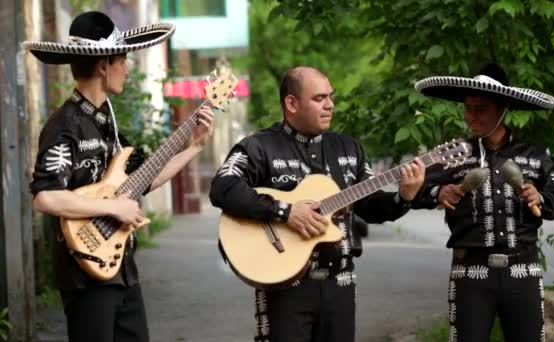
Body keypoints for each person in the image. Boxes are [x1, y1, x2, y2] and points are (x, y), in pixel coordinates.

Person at [26, 11, 215, 342]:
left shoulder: (107, 124)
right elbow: (45, 197)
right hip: (85, 275)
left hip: (122, 270)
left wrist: (195, 147)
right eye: (123, 60)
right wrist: (114, 209)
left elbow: (145, 179)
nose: (127, 69)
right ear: (103, 66)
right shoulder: (64, 125)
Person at [209, 66, 425, 342]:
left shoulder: (349, 148)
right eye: (319, 98)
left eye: (331, 97)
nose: (330, 105)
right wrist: (285, 211)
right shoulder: (258, 147)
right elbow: (222, 187)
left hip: (341, 284)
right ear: (291, 103)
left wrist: (404, 196)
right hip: (283, 285)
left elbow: (370, 206)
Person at [413, 63, 554, 342]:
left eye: (481, 108)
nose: (471, 116)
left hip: (523, 271)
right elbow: (413, 192)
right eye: (468, 108)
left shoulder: (532, 156)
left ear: (503, 109)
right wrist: (439, 193)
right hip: (470, 273)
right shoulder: (455, 155)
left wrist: (540, 199)